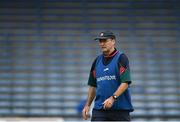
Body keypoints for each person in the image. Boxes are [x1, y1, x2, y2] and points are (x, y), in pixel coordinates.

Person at [82, 31, 134, 121]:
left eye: (105, 41)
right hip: (100, 110)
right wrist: (87, 105)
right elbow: (93, 86)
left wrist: (113, 98)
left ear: (113, 41)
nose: (102, 43)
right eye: (100, 41)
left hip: (120, 111)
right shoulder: (97, 61)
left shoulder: (121, 58)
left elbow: (125, 82)